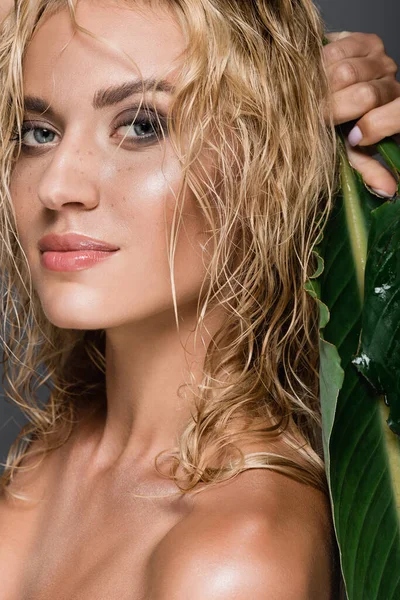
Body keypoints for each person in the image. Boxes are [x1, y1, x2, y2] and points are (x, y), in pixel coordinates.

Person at [0, 1, 399, 598]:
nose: (59, 185)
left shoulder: (235, 558)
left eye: (140, 125)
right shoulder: (53, 453)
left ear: (268, 160)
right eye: (40, 131)